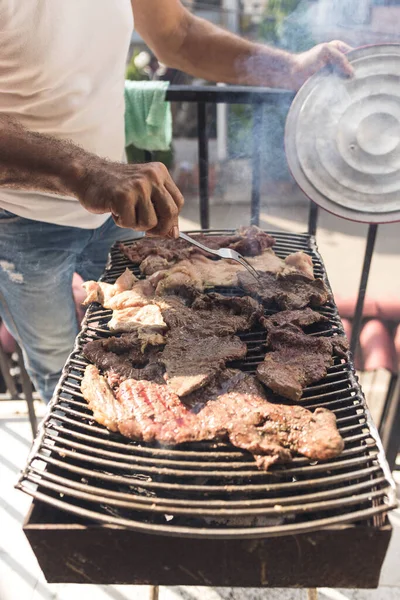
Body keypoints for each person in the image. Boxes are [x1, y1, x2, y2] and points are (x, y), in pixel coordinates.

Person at [0, 1, 353, 404]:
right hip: (19, 219)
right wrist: (85, 172)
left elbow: (178, 35)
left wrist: (288, 69)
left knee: (156, 332)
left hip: (115, 207)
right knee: (57, 366)